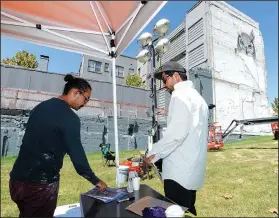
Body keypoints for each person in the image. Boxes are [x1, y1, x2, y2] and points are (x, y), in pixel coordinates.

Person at [9, 74, 107, 217]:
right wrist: (95, 180)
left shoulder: (39, 107)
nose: (85, 104)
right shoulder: (70, 118)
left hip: (16, 181)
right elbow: (78, 158)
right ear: (75, 92)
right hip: (40, 186)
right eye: (86, 99)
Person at [144, 61, 209, 216]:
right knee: (187, 211)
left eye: (165, 79)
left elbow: (175, 135)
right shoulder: (200, 99)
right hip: (192, 172)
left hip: (178, 174)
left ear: (176, 76)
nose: (164, 85)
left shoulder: (180, 95)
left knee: (175, 212)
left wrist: (152, 154)